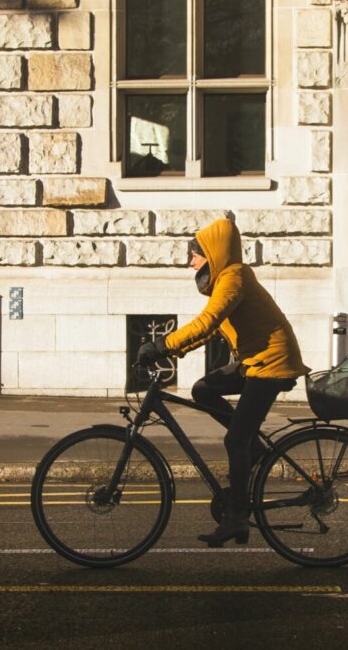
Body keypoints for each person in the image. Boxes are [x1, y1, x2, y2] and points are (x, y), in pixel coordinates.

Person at [137, 218, 309, 547]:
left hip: (271, 364)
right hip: (252, 363)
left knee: (235, 441)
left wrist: (163, 346)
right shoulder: (225, 282)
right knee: (203, 390)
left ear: (212, 254)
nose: (190, 263)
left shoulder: (234, 277)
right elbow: (212, 328)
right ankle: (254, 449)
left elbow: (208, 321)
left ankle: (237, 517)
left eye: (195, 256)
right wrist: (172, 351)